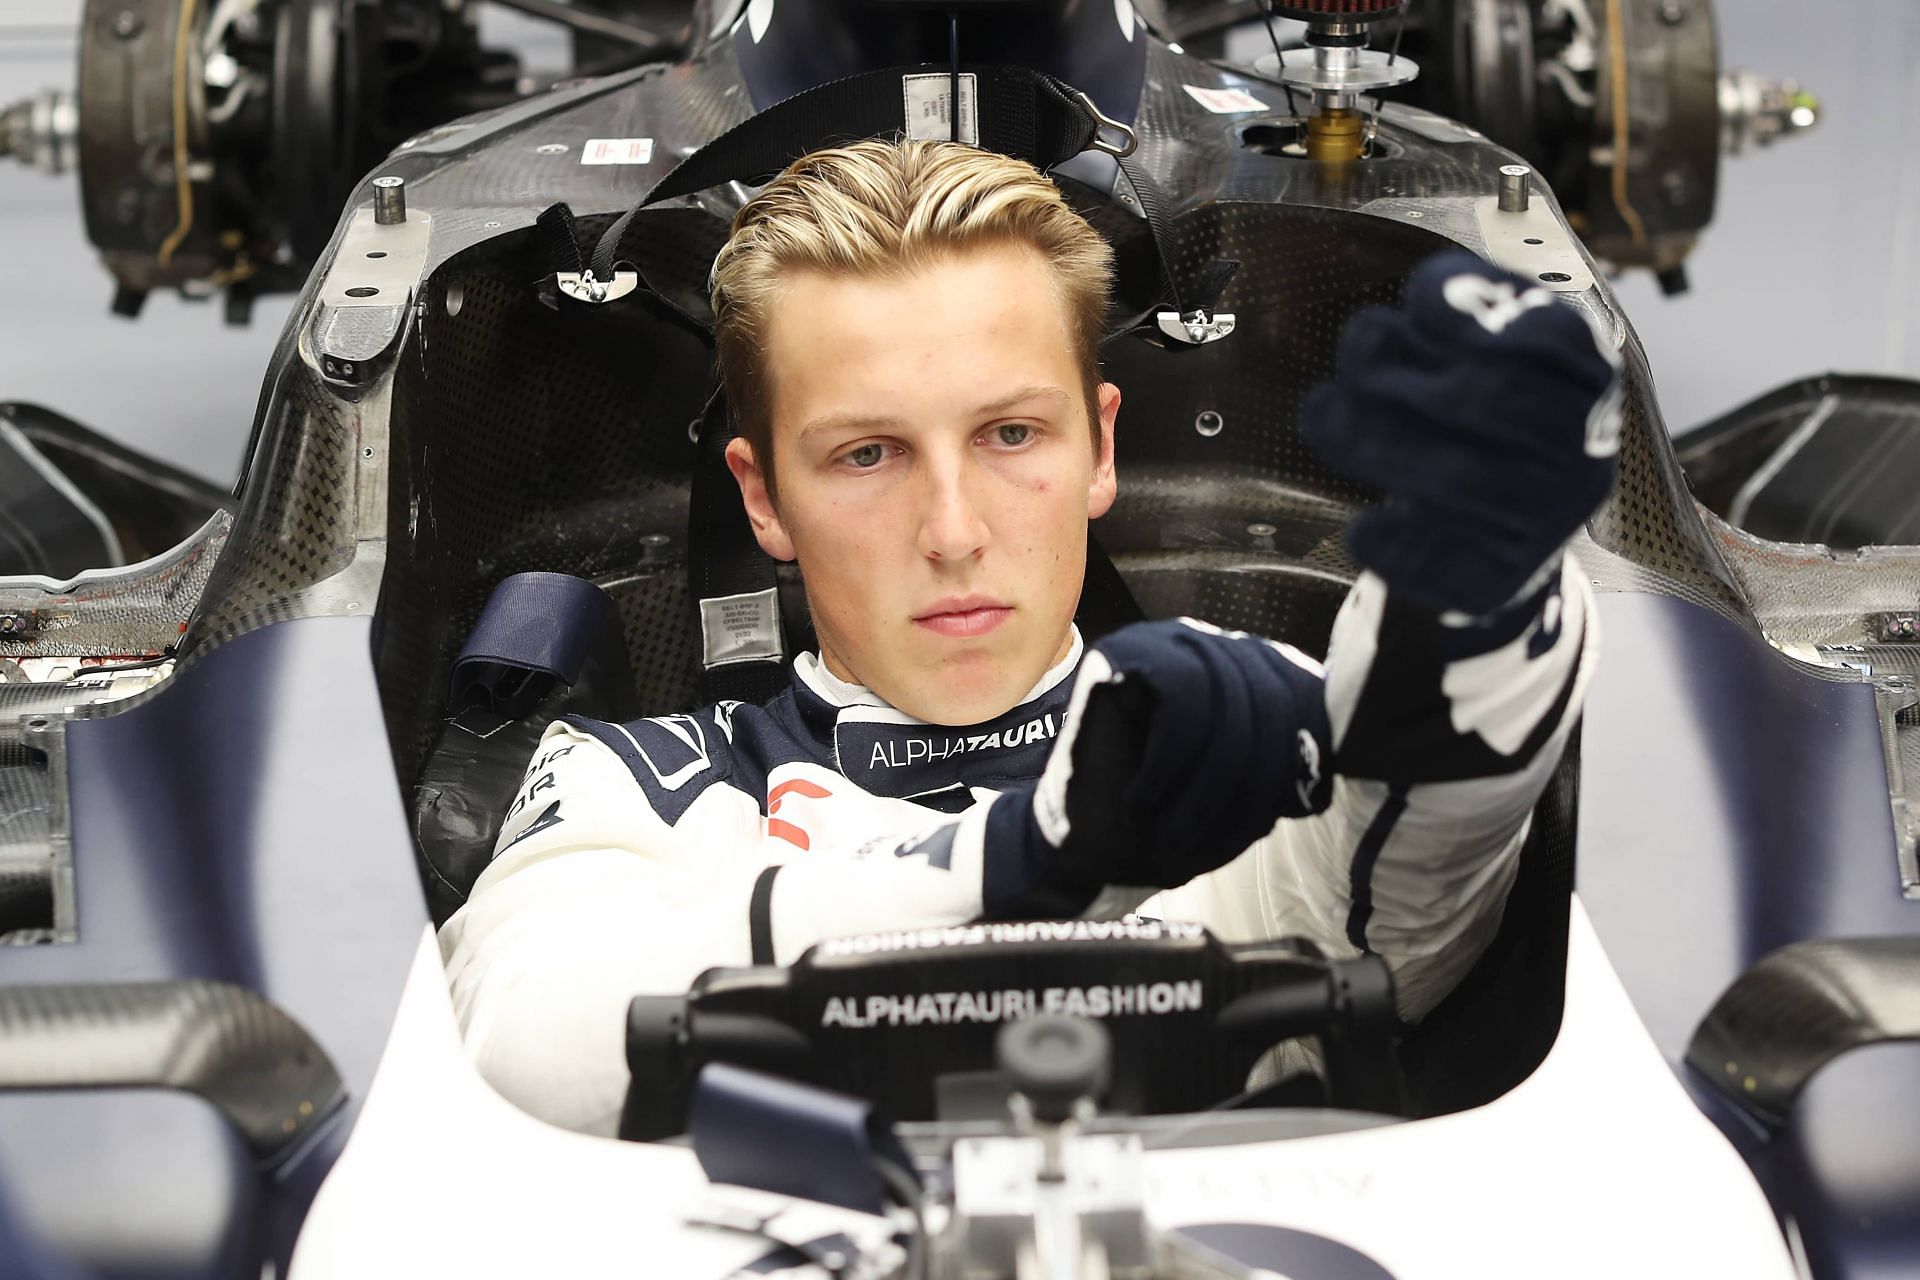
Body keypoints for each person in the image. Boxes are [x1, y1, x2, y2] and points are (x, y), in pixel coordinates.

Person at [439, 140, 1620, 1135]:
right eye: (867, 454)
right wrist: (1027, 855)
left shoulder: (1236, 720)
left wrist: (1477, 588)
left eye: (1009, 435)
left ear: (1100, 449)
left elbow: (1400, 927)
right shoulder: (640, 785)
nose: (952, 532)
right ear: (762, 498)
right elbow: (518, 1043)